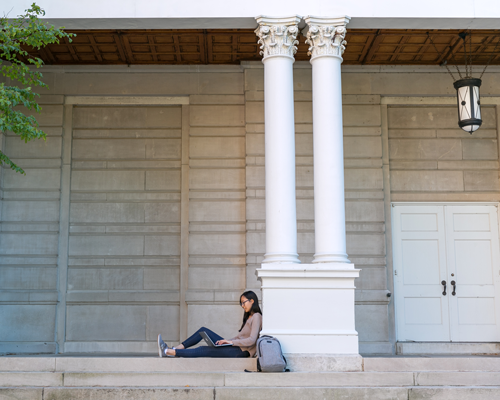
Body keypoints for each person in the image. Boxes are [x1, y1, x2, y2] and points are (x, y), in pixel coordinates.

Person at [157, 290, 262, 358]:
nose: (242, 305)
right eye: (241, 303)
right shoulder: (249, 317)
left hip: (241, 352)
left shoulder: (256, 316)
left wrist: (230, 342)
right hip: (235, 347)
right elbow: (240, 338)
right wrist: (227, 342)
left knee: (203, 350)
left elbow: (252, 341)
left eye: (244, 302)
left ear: (252, 301)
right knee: (203, 331)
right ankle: (176, 348)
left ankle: (168, 352)